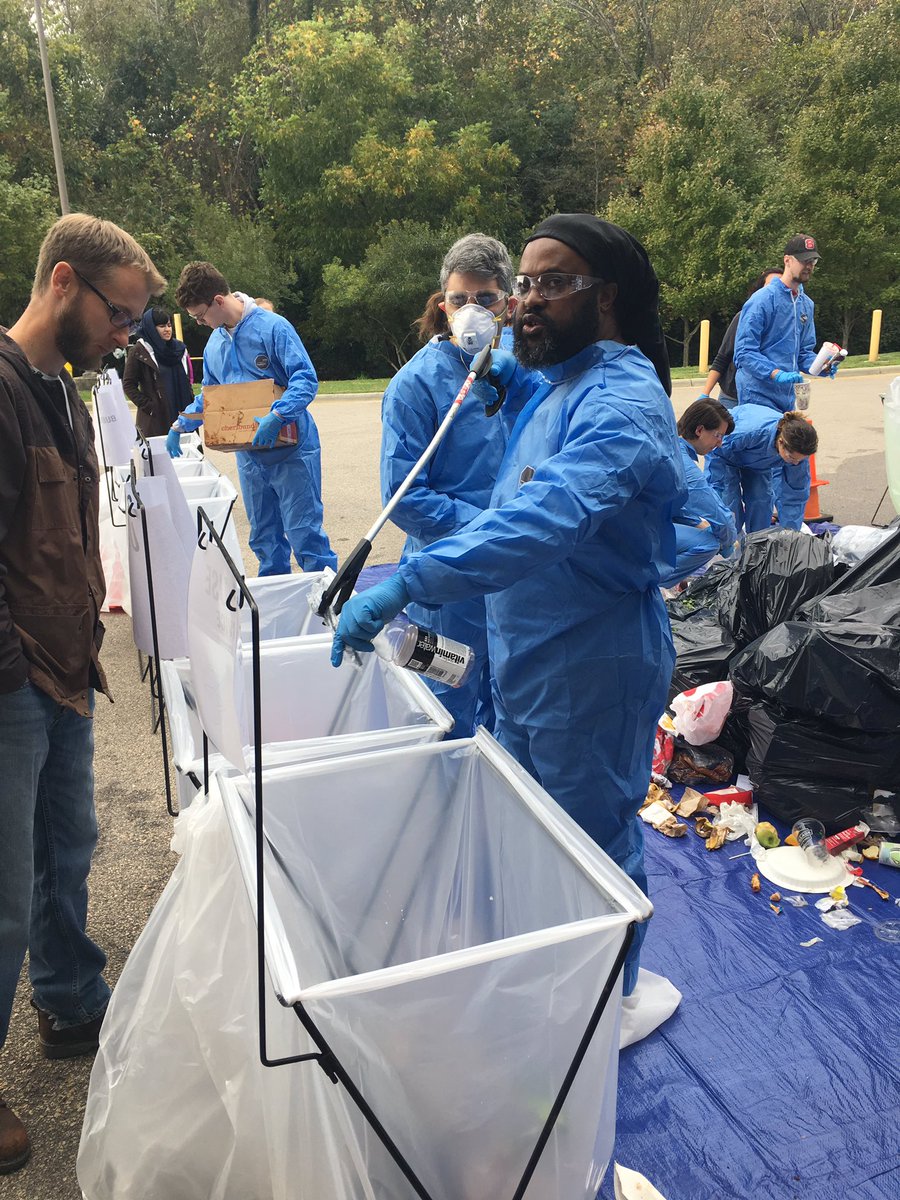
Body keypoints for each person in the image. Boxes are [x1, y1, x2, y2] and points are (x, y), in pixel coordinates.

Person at [333, 214, 686, 1010]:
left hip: (592, 661)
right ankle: (548, 976)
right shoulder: (558, 381)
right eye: (524, 283)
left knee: (590, 840)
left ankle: (605, 1003)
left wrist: (410, 580)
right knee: (531, 824)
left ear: (608, 297)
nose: (527, 300)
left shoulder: (625, 401)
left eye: (553, 283)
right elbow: (545, 396)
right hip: (530, 653)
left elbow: (545, 513)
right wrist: (506, 379)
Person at [0, 213, 165, 1174]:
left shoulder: (62, 390)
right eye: (119, 315)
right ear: (64, 283)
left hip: (64, 668)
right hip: (15, 680)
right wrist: (16, 677)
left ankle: (68, 996)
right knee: (4, 895)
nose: (125, 335)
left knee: (69, 848)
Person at [380, 234, 518, 736]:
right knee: (444, 707)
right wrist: (494, 529)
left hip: (522, 572)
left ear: (509, 304)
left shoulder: (530, 373)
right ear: (443, 305)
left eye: (486, 299)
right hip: (448, 575)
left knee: (515, 702)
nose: (472, 311)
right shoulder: (416, 386)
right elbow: (404, 496)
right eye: (460, 299)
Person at [168, 263, 336, 575]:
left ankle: (330, 609)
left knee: (305, 534)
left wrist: (278, 415)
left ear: (219, 301)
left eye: (200, 315)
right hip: (250, 457)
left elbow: (305, 379)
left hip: (291, 452)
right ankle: (278, 606)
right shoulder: (216, 344)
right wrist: (182, 423)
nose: (199, 322)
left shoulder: (274, 328)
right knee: (264, 537)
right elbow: (212, 396)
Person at [733, 234, 837, 413]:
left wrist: (822, 365)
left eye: (813, 261)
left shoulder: (806, 304)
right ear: (787, 260)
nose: (809, 266)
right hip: (757, 393)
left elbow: (803, 353)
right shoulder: (762, 300)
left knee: (786, 441)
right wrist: (775, 373)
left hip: (786, 396)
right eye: (804, 260)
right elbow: (744, 352)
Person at [704, 405, 818, 533]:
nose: (795, 463)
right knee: (728, 502)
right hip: (725, 456)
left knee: (761, 500)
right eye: (792, 458)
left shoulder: (799, 454)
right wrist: (716, 496)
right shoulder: (746, 432)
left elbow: (795, 494)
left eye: (800, 459)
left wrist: (790, 534)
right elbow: (716, 453)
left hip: (759, 463)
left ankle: (757, 542)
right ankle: (730, 542)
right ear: (780, 442)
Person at [661, 398, 737, 587]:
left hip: (632, 521)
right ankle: (651, 586)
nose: (719, 443)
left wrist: (697, 523)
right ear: (699, 430)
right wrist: (728, 544)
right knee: (708, 544)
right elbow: (720, 517)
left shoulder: (671, 446)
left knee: (701, 526)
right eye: (718, 435)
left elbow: (675, 508)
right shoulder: (683, 465)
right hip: (638, 529)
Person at [699, 269, 781, 408]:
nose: (774, 291)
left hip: (769, 397)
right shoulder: (744, 317)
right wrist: (705, 394)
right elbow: (723, 357)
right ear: (759, 291)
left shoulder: (787, 324)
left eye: (779, 286)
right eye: (770, 286)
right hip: (733, 397)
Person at [123, 306, 193, 438]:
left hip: (182, 414)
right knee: (161, 456)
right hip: (156, 421)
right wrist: (150, 407)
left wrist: (191, 401)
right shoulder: (140, 351)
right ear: (151, 328)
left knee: (188, 455)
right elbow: (128, 385)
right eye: (162, 326)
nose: (167, 329)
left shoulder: (179, 350)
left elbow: (187, 379)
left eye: (168, 325)